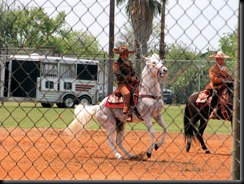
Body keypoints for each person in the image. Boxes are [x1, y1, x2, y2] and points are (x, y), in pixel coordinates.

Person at [112, 45, 138, 122]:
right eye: (125, 54)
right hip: (122, 84)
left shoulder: (129, 63)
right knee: (127, 94)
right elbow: (119, 75)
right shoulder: (116, 63)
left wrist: (135, 77)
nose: (127, 55)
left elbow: (133, 72)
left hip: (132, 83)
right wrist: (130, 78)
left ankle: (140, 112)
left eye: (127, 54)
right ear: (121, 55)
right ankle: (126, 114)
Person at [205, 50, 232, 119]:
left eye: (223, 59)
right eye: (221, 59)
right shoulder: (213, 69)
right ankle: (211, 111)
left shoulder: (225, 68)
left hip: (224, 85)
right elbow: (213, 78)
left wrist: (229, 79)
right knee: (216, 94)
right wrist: (223, 80)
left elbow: (228, 76)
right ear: (217, 60)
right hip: (215, 85)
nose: (222, 61)